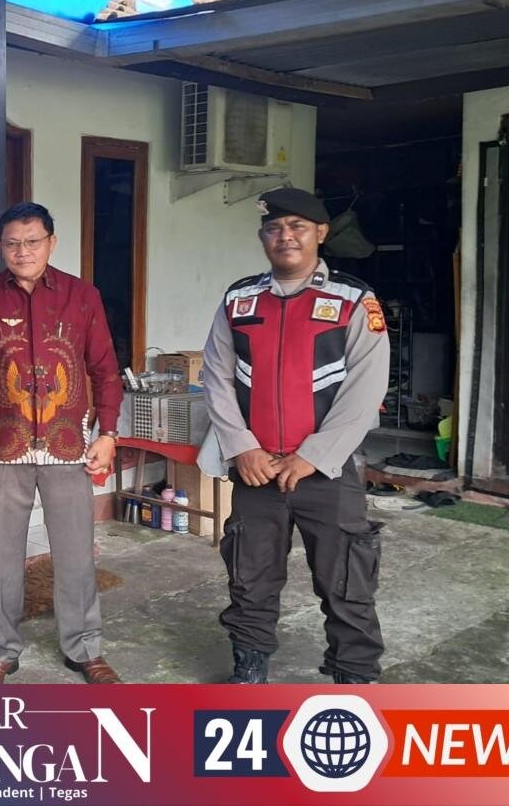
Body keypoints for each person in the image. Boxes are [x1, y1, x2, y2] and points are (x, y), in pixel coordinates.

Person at [200, 187, 390, 685]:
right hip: (256, 469)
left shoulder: (353, 300)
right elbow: (216, 377)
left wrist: (313, 456)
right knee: (250, 576)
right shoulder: (239, 300)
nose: (285, 236)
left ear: (320, 233)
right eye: (274, 228)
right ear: (263, 236)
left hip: (327, 473)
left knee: (346, 582)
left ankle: (354, 678)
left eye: (297, 227)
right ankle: (250, 668)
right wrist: (241, 447)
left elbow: (366, 387)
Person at [0, 202, 124, 685]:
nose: (22, 251)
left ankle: (84, 648)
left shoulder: (82, 296)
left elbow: (106, 370)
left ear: (51, 242)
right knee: (0, 556)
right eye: (12, 243)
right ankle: (1, 650)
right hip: (1, 448)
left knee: (76, 553)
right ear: (0, 246)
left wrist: (108, 433)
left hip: (70, 448)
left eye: (32, 241)